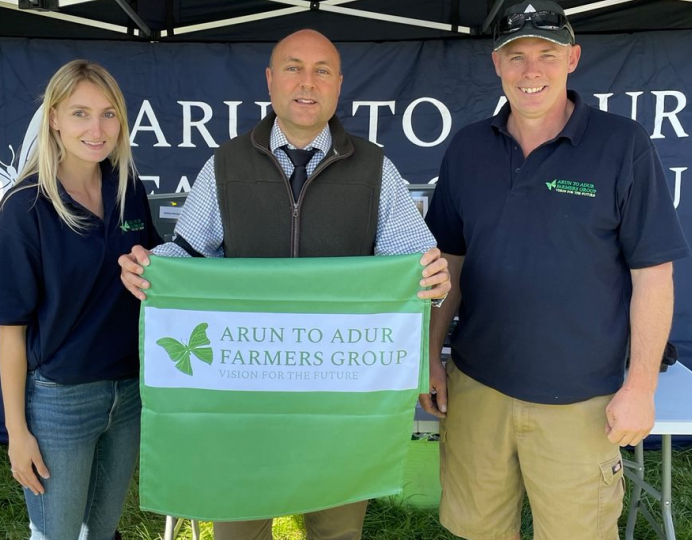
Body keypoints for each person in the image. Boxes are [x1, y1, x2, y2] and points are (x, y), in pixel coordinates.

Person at [118, 29, 450, 540]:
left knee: (335, 531)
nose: (307, 82)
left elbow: (414, 264)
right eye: (293, 68)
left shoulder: (376, 169)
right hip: (244, 390)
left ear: (339, 85)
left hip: (339, 395)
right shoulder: (225, 164)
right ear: (270, 80)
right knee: (239, 531)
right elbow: (190, 250)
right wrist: (150, 266)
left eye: (322, 71)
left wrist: (432, 277)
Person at [419, 1, 691, 539]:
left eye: (547, 54)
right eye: (516, 56)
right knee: (477, 532)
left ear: (573, 58)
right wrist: (428, 356)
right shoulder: (468, 148)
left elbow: (653, 275)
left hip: (582, 402)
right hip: (478, 390)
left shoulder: (622, 146)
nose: (531, 71)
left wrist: (641, 387)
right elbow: (448, 262)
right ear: (496, 65)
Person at [0, 60, 162, 540]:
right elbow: (11, 330)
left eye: (108, 114)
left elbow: (159, 275)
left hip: (127, 394)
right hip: (61, 401)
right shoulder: (25, 206)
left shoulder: (128, 191)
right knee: (56, 534)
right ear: (54, 119)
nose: (96, 128)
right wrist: (16, 434)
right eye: (80, 113)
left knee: (101, 530)